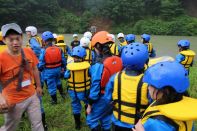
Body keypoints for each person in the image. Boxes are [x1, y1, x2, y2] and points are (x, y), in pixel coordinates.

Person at [0, 23, 44, 131]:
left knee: (38, 124)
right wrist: (0, 98)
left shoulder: (28, 51)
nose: (15, 42)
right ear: (4, 40)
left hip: (31, 96)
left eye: (17, 39)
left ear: (22, 38)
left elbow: (34, 69)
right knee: (10, 127)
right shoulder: (1, 58)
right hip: (13, 101)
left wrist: (38, 86)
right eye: (11, 39)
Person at [132, 61, 197, 131]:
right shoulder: (185, 108)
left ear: (165, 91)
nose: (148, 87)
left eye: (151, 85)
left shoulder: (155, 123)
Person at [104, 43, 151, 131]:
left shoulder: (115, 77)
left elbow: (107, 98)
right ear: (145, 61)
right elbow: (152, 104)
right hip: (137, 125)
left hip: (117, 121)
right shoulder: (148, 82)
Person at [86, 31, 122, 131]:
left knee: (91, 120)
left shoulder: (98, 65)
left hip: (101, 98)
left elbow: (95, 85)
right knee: (106, 118)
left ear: (98, 46)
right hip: (113, 97)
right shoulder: (118, 60)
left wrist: (90, 103)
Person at [64, 46, 90, 130]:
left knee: (75, 106)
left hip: (73, 91)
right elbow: (91, 75)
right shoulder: (87, 67)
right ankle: (89, 121)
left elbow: (66, 76)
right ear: (84, 57)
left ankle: (78, 125)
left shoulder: (70, 67)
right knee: (87, 104)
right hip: (85, 90)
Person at [38, 31, 66, 104]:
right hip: (58, 69)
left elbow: (41, 61)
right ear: (52, 40)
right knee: (58, 81)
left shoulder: (43, 50)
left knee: (51, 85)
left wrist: (40, 68)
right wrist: (63, 67)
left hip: (49, 71)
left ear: (44, 41)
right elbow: (63, 60)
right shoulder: (59, 49)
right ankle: (62, 94)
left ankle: (54, 100)